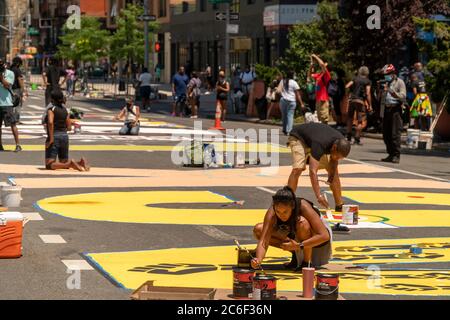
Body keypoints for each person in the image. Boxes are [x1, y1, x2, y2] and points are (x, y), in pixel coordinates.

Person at [252, 186, 332, 270]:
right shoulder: (272, 212)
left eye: (285, 212)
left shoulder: (303, 206)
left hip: (317, 242)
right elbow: (264, 240)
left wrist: (298, 246)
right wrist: (258, 259)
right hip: (295, 238)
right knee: (259, 230)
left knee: (302, 223)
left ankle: (306, 263)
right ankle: (296, 255)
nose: (281, 215)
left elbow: (324, 236)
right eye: (278, 212)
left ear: (292, 207)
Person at [287, 123, 351, 211]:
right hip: (298, 137)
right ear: (334, 147)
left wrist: (331, 175)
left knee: (334, 171)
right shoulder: (320, 143)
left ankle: (339, 205)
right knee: (298, 168)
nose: (337, 159)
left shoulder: (341, 142)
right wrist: (319, 195)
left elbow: (334, 160)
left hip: (314, 138)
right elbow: (313, 171)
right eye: (337, 156)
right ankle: (287, 200)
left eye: (340, 158)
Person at [44, 90, 89, 171]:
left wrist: (51, 139)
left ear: (52, 100)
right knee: (63, 162)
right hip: (64, 136)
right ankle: (80, 163)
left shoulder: (52, 109)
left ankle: (71, 164)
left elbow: (50, 122)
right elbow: (69, 127)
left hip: (54, 136)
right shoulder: (65, 110)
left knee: (49, 164)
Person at [380, 64, 406, 164]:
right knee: (386, 134)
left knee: (395, 134)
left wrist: (391, 91)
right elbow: (380, 97)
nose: (386, 76)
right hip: (386, 109)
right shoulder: (385, 83)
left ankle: (396, 155)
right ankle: (390, 154)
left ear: (393, 73)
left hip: (396, 109)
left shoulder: (400, 82)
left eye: (387, 74)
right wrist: (379, 90)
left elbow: (402, 96)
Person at [345, 66, 373, 145]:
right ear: (367, 73)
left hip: (352, 100)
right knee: (360, 120)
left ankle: (348, 137)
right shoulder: (367, 81)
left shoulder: (355, 79)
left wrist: (348, 95)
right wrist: (370, 105)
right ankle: (356, 138)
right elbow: (368, 93)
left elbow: (347, 86)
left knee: (350, 118)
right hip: (360, 101)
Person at [0, 58, 21, 152]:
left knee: (12, 124)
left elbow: (7, 85)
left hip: (6, 103)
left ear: (4, 64)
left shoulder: (10, 73)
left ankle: (18, 144)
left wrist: (0, 76)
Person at [279, 70, 305, 135]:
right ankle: (289, 131)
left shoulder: (282, 81)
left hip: (283, 100)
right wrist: (301, 103)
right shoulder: (294, 82)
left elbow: (279, 91)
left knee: (284, 116)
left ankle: (284, 129)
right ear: (292, 75)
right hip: (291, 101)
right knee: (290, 116)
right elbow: (298, 94)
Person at [310, 54, 331, 124]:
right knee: (320, 119)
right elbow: (310, 75)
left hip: (323, 99)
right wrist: (311, 64)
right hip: (318, 99)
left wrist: (316, 57)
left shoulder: (326, 75)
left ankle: (326, 133)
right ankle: (323, 133)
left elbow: (322, 65)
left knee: (324, 119)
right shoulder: (319, 75)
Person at [10, 57, 26, 124]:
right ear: (18, 63)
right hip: (17, 89)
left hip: (10, 89)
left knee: (11, 104)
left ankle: (11, 118)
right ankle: (16, 119)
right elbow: (20, 80)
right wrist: (23, 89)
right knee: (18, 104)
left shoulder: (10, 69)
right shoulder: (17, 70)